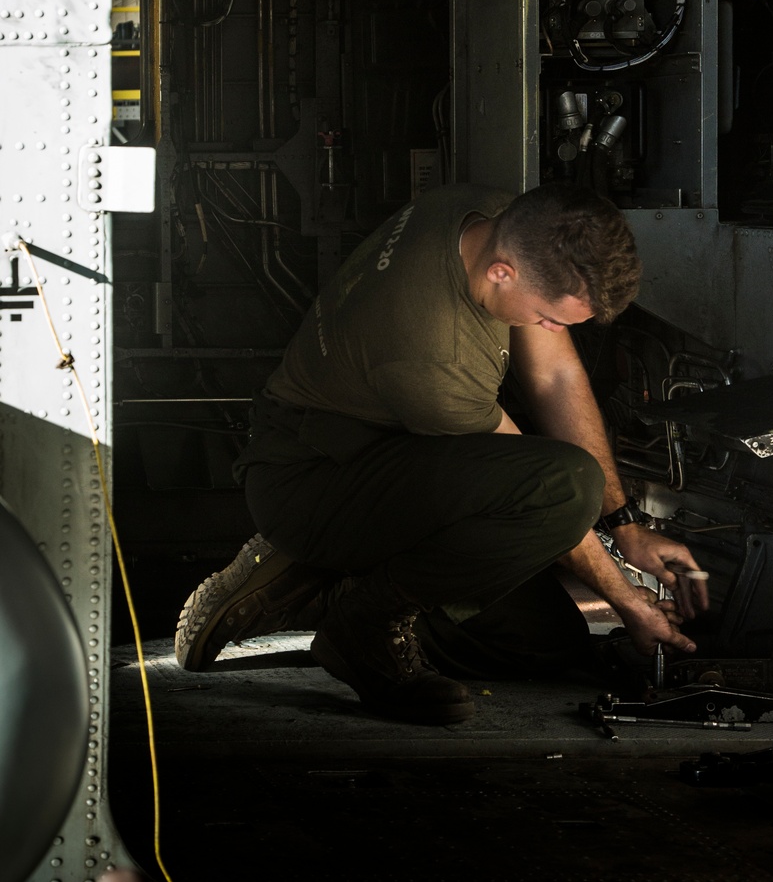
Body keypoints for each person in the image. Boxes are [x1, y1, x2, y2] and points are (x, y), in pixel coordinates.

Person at [174, 182, 707, 724]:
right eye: (550, 317)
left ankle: (331, 576)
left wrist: (626, 526)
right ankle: (356, 618)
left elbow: (555, 375)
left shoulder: (492, 216)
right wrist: (628, 602)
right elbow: (548, 493)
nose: (551, 330)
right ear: (504, 271)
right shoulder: (436, 357)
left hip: (392, 452)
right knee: (567, 485)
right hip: (311, 479)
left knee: (544, 645)